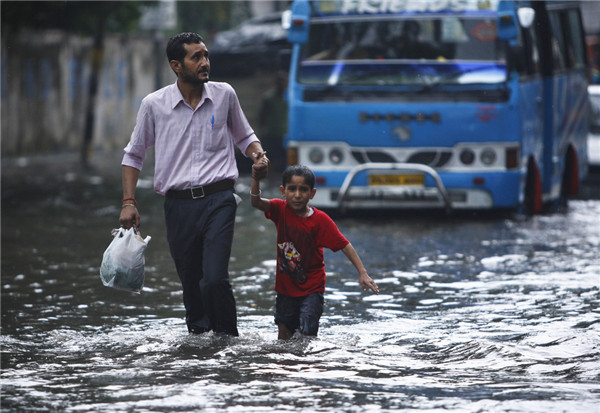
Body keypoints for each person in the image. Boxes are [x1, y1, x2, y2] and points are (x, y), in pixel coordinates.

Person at [119, 32, 269, 337]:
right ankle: (199, 341)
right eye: (196, 57)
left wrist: (257, 155)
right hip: (178, 205)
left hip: (219, 199)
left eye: (206, 55)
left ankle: (227, 340)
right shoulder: (154, 105)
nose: (205, 63)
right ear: (177, 65)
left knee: (214, 277)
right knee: (191, 280)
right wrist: (129, 202)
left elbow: (244, 136)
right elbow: (133, 156)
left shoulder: (224, 94)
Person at [250, 163, 379, 339]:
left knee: (308, 334)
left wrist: (363, 273)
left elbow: (344, 245)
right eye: (292, 189)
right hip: (286, 288)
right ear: (283, 191)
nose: (297, 195)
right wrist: (256, 179)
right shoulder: (280, 210)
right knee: (283, 335)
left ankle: (308, 364)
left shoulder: (320, 221)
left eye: (303, 190)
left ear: (312, 194)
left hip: (312, 288)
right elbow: (256, 202)